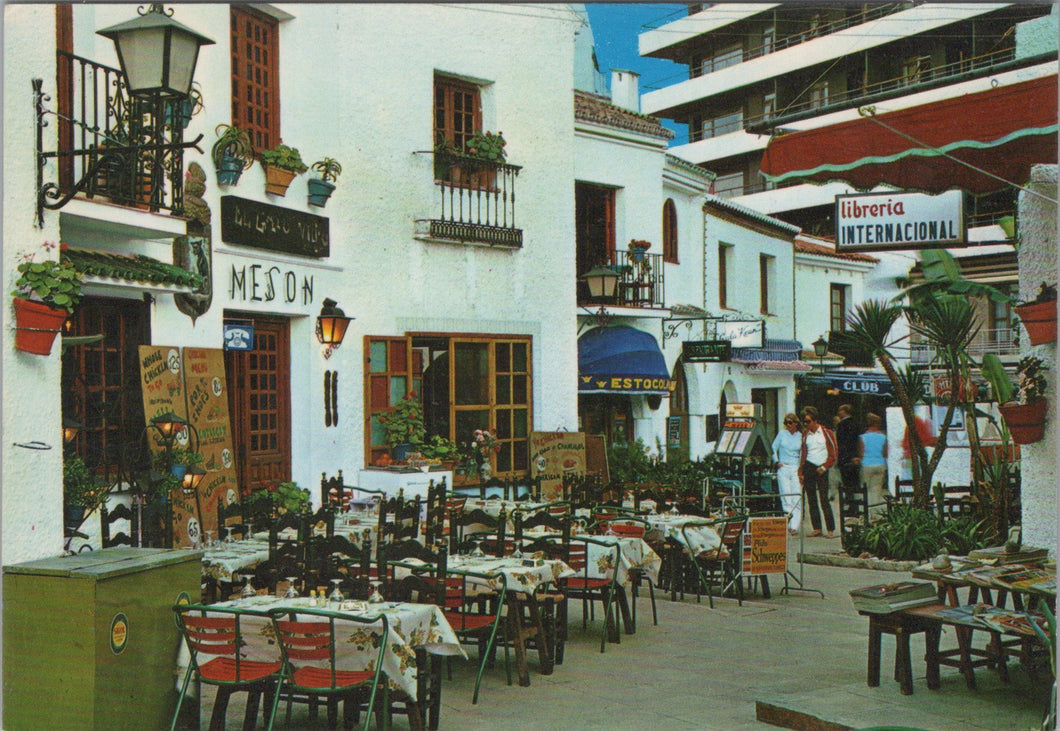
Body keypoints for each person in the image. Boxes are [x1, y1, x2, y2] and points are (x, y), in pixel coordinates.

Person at [799, 405, 837, 538]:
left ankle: (830, 529)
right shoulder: (805, 435)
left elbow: (833, 454)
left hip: (822, 467)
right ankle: (817, 528)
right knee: (811, 499)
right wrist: (801, 472)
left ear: (815, 420)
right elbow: (803, 454)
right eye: (804, 422)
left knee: (824, 499)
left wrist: (825, 467)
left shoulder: (827, 433)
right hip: (809, 466)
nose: (806, 424)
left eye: (808, 421)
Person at [772, 413, 803, 536]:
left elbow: (803, 452)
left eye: (790, 422)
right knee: (785, 496)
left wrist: (801, 468)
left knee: (796, 496)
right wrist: (776, 461)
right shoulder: (782, 434)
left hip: (795, 467)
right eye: (786, 423)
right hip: (783, 466)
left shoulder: (800, 436)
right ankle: (788, 522)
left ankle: (794, 526)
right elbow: (773, 448)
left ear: (795, 423)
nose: (788, 425)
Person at [859, 413, 888, 518]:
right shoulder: (883, 437)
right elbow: (885, 453)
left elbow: (861, 452)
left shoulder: (862, 437)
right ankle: (875, 513)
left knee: (866, 490)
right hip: (880, 463)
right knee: (876, 489)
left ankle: (867, 512)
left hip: (867, 464)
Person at [835, 403, 862, 494]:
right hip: (855, 456)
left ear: (845, 412)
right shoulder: (856, 423)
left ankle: (849, 499)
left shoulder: (842, 424)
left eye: (840, 411)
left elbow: (843, 442)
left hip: (845, 457)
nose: (838, 413)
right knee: (854, 482)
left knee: (846, 482)